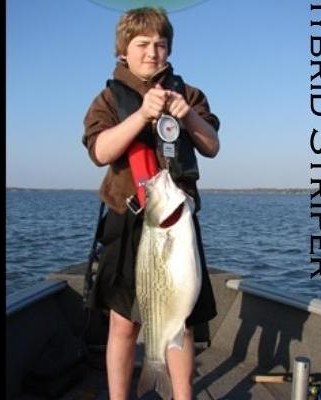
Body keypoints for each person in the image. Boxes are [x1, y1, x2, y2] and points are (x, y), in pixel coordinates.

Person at [82, 7, 220, 400]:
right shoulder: (108, 99)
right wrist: (141, 114)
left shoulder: (189, 94)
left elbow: (211, 145)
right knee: (123, 324)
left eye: (160, 44)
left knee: (182, 321)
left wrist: (189, 117)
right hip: (129, 220)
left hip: (176, 221)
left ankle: (182, 395)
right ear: (123, 50)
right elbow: (100, 151)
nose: (152, 52)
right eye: (142, 44)